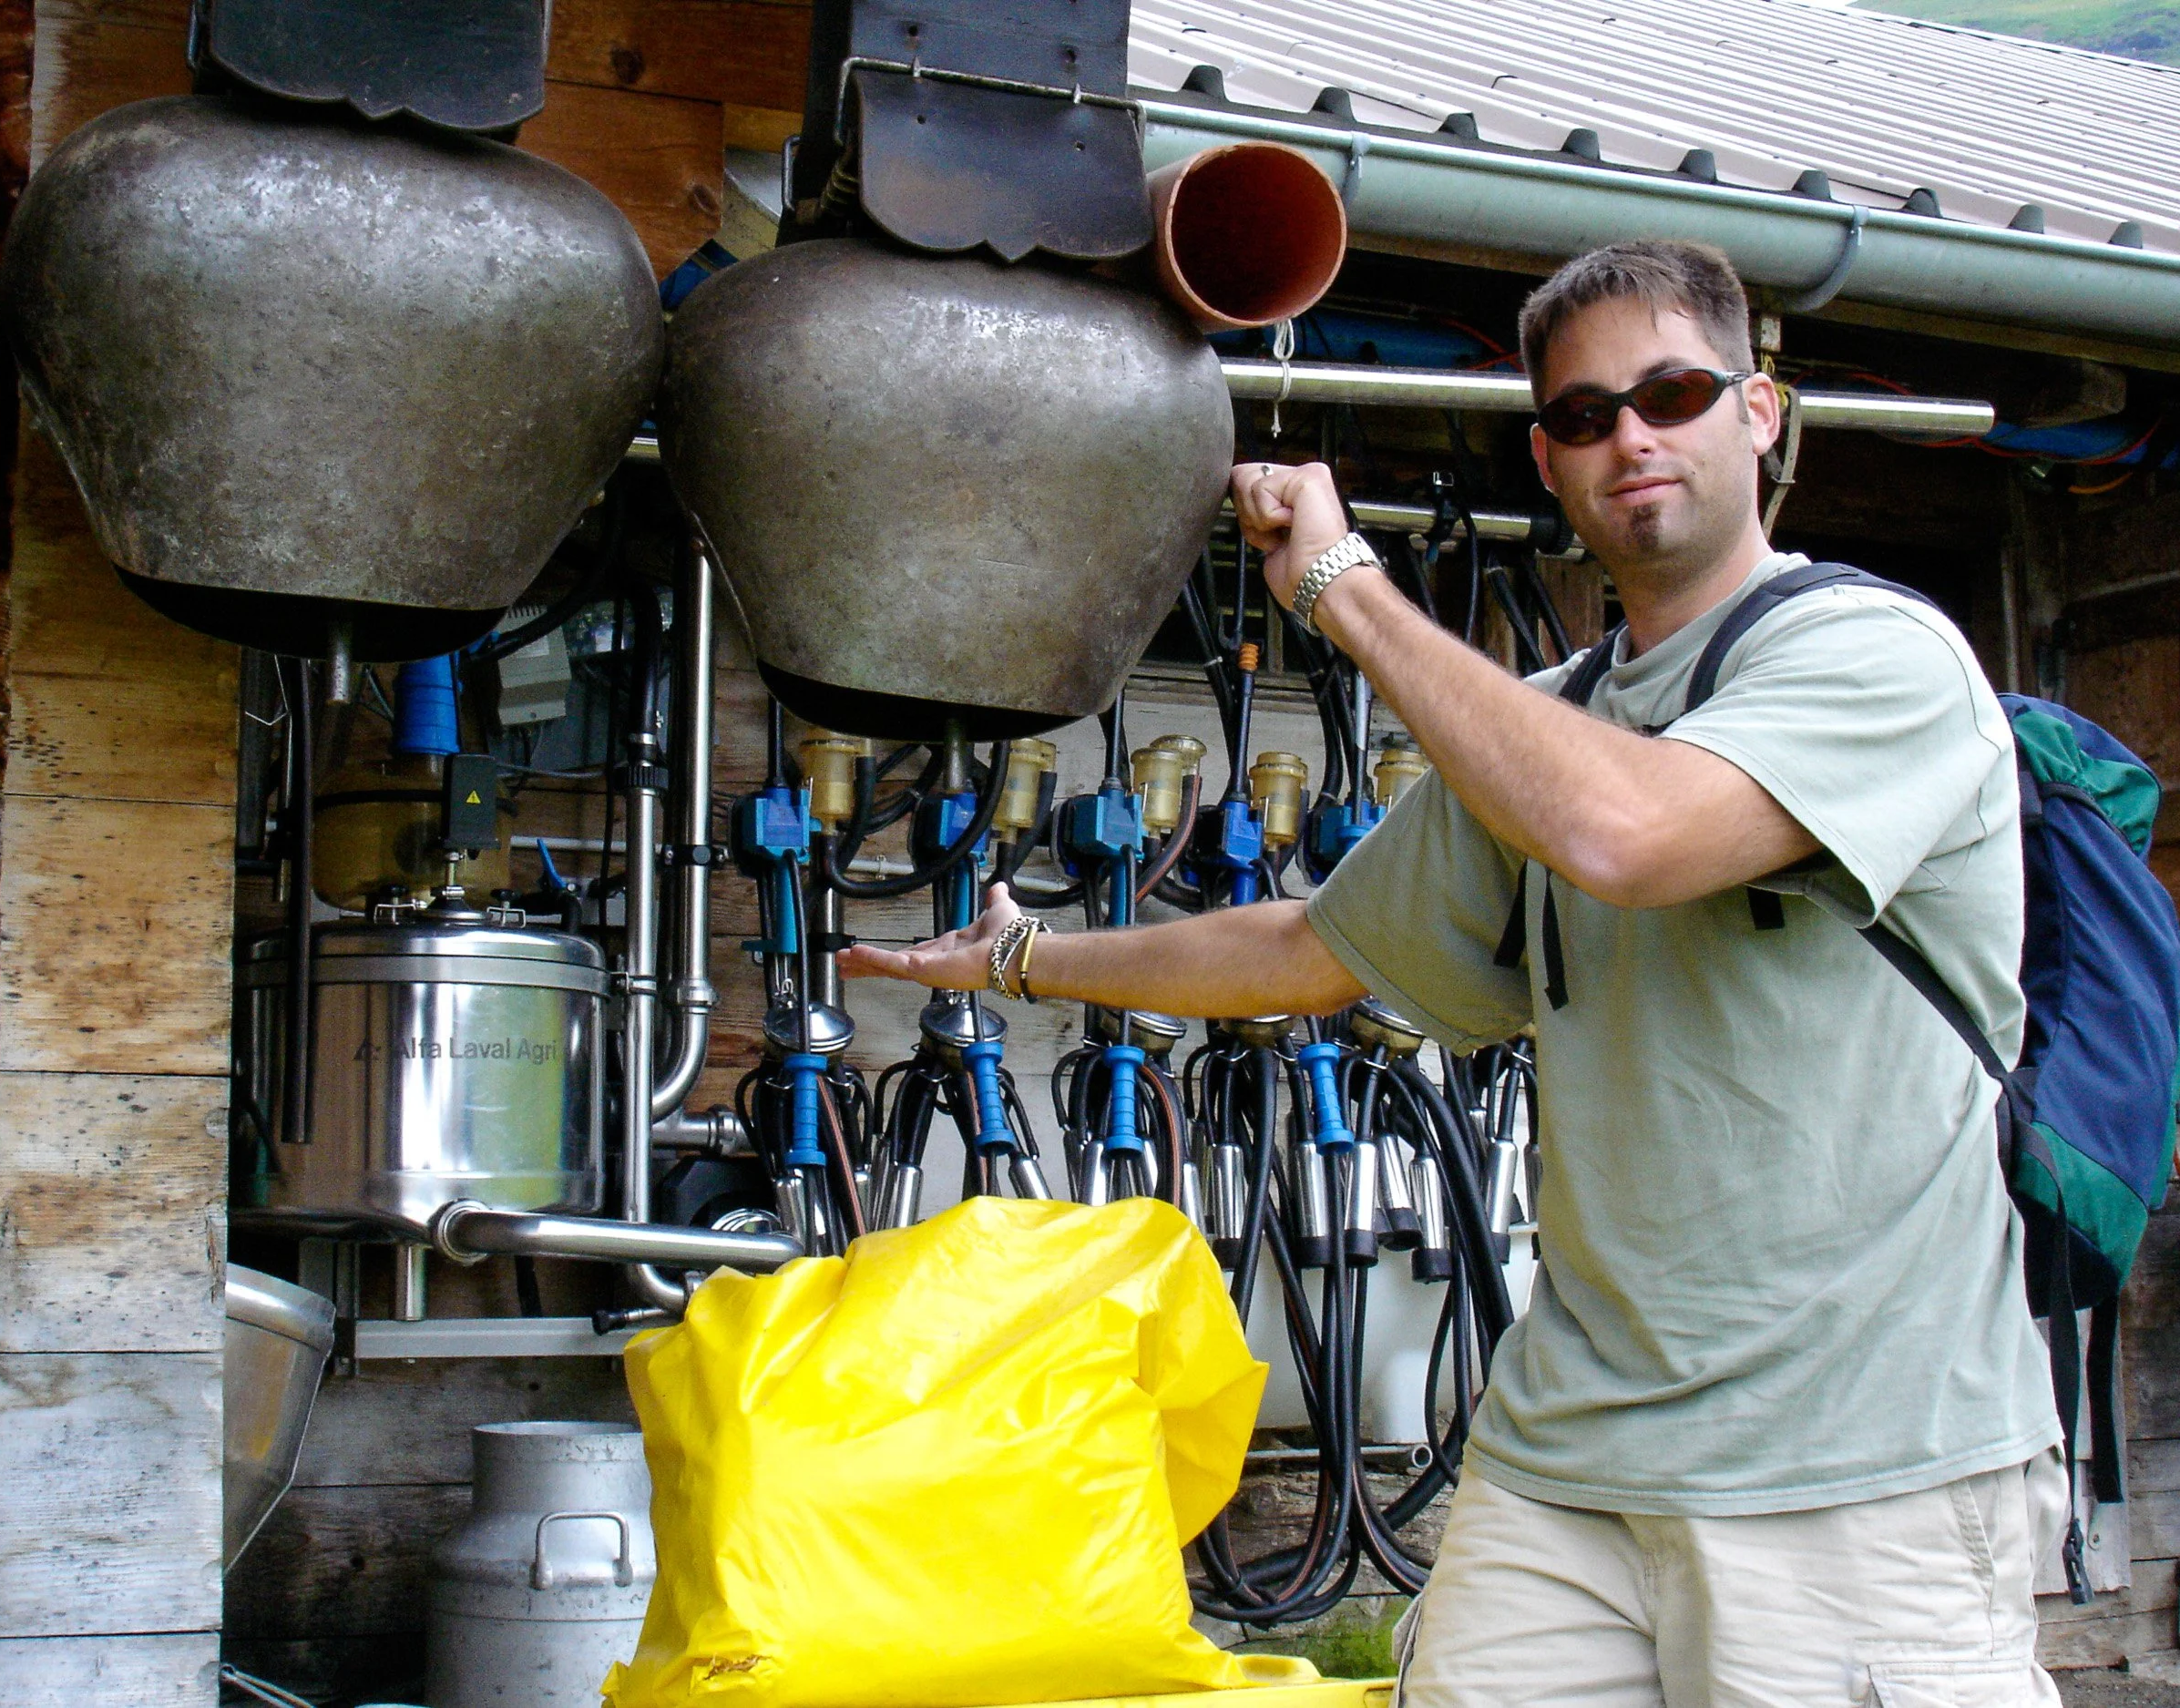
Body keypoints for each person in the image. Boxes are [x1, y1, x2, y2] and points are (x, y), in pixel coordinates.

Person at [840, 239, 2064, 1705]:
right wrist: (1028, 955)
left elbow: (1628, 829)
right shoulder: (1547, 720)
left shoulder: (1877, 657)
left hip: (1852, 1464)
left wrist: (1348, 591)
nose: (1632, 435)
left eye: (1673, 391)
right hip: (1571, 1453)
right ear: (1545, 460)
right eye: (1583, 414)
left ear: (1760, 412)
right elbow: (1309, 945)